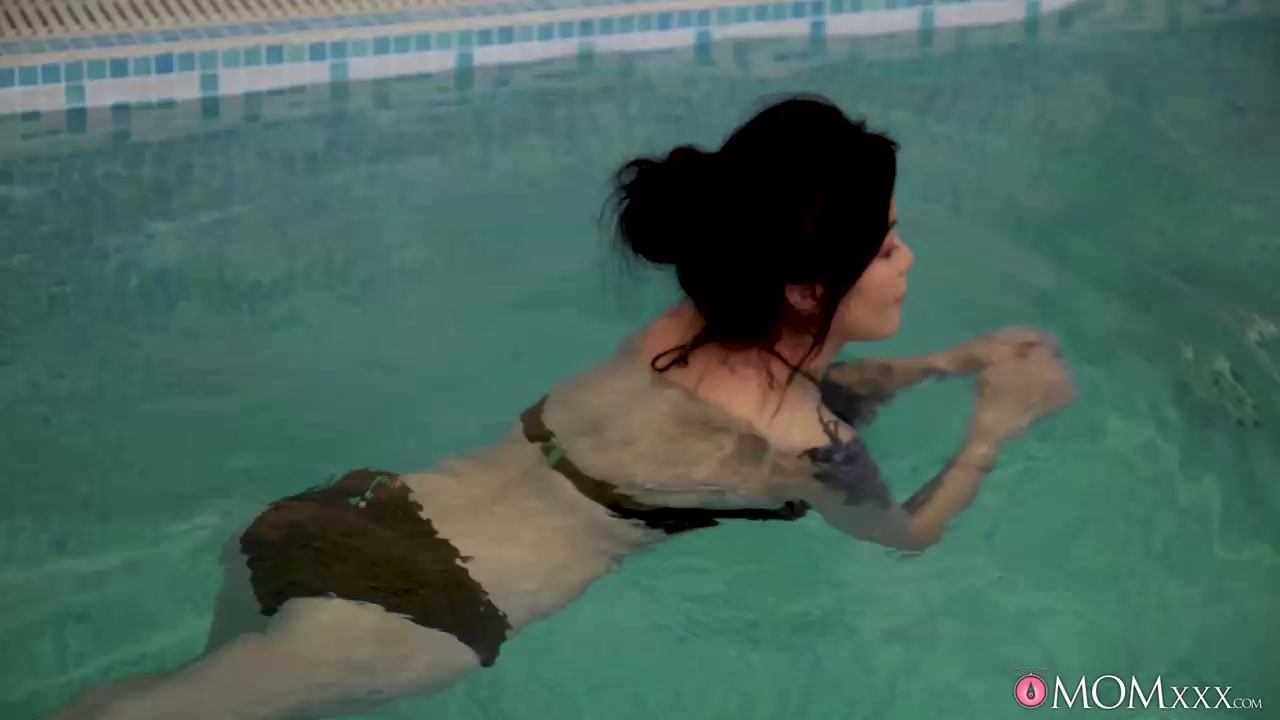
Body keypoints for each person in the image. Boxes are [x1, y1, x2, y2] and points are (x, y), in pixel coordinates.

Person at [48, 95, 1074, 720]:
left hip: (348, 513)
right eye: (886, 246)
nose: (907, 259)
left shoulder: (683, 325)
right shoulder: (805, 441)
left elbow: (778, 393)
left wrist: (940, 363)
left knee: (149, 700)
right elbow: (904, 536)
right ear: (807, 290)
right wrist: (995, 425)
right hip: (419, 609)